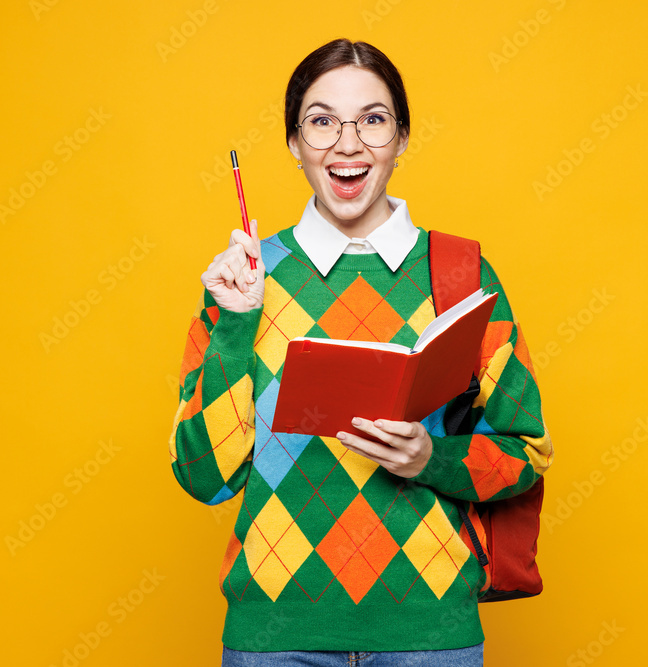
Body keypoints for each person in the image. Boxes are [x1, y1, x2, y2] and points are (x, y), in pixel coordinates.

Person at [168, 38, 554, 667]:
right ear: (294, 143)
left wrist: (432, 456)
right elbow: (204, 478)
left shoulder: (460, 273)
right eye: (321, 121)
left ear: (402, 138)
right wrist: (238, 324)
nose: (347, 144)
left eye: (372, 120)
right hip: (273, 640)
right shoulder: (244, 280)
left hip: (430, 639)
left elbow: (527, 454)